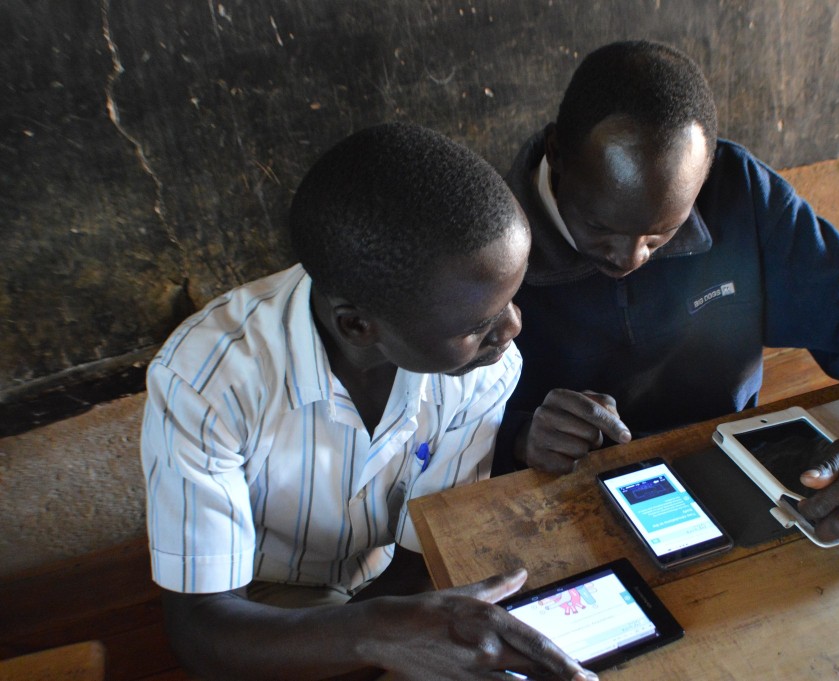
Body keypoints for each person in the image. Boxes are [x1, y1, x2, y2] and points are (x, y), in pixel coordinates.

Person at [141, 122, 599, 681]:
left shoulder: (480, 367)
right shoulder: (207, 378)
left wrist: (393, 636)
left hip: (388, 586)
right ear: (358, 325)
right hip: (258, 607)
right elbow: (201, 627)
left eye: (512, 298)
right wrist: (376, 637)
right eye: (478, 325)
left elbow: (418, 559)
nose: (512, 329)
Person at [495, 40, 839, 566]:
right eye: (600, 226)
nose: (630, 258)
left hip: (728, 489)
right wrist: (518, 436)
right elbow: (415, 449)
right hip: (550, 513)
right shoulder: (485, 241)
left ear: (702, 179)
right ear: (557, 155)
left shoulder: (739, 194)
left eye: (661, 235)